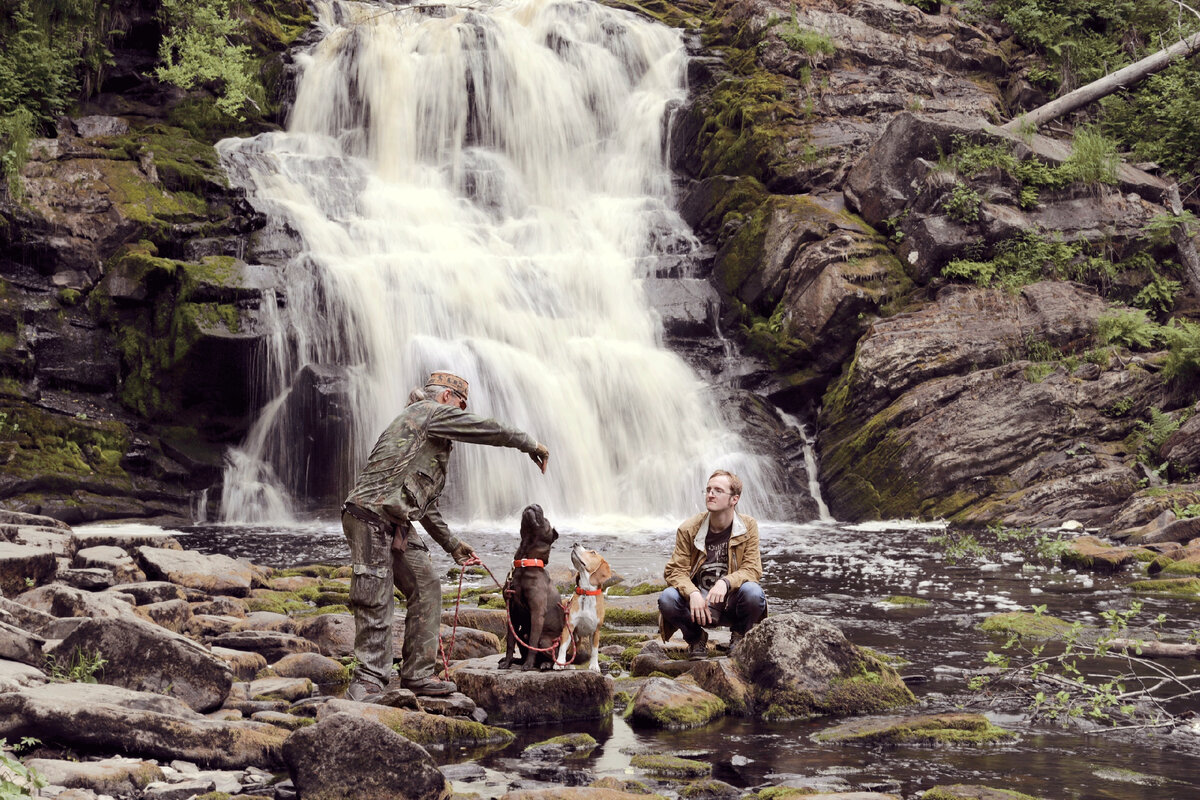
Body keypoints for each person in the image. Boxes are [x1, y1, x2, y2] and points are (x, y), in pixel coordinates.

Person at [342, 370, 549, 699]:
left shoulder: (428, 436)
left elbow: (426, 505)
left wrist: (452, 545)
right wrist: (528, 444)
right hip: (368, 515)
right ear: (445, 398)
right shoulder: (428, 413)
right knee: (374, 597)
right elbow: (487, 429)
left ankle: (417, 675)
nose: (462, 412)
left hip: (394, 520)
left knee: (427, 586)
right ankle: (367, 681)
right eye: (461, 404)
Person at [658, 469, 767, 659]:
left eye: (717, 490)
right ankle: (696, 638)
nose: (710, 494)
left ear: (734, 499)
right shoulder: (688, 529)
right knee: (667, 598)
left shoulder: (748, 526)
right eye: (708, 489)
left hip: (731, 603)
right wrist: (692, 592)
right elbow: (675, 571)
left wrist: (725, 582)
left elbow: (753, 569)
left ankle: (739, 636)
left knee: (754, 593)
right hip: (697, 607)